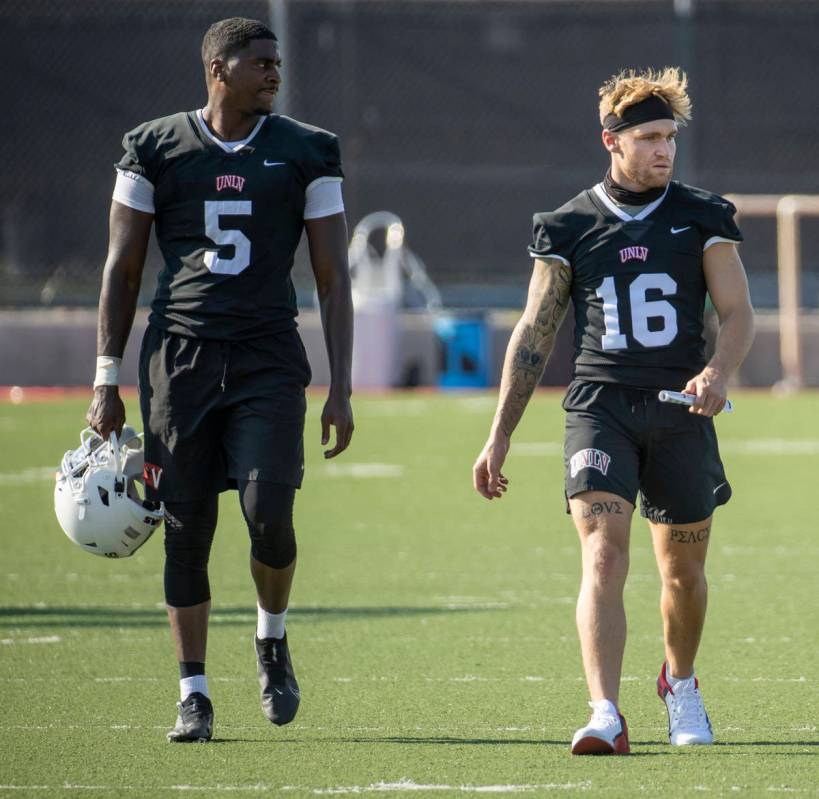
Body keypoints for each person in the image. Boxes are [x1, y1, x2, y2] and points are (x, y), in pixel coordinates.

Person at [86, 17, 354, 743]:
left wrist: (341, 385)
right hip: (180, 361)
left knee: (270, 511)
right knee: (186, 530)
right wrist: (106, 376)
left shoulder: (305, 150)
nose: (274, 72)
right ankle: (193, 692)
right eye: (259, 62)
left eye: (276, 62)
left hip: (268, 355)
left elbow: (331, 277)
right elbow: (123, 267)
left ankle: (271, 637)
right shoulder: (154, 147)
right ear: (217, 67)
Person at [473, 67, 754, 755]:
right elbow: (534, 333)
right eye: (649, 138)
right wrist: (498, 435)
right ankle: (604, 711)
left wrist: (718, 370)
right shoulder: (569, 224)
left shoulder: (701, 214)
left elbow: (738, 311)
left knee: (681, 574)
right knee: (601, 554)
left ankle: (679, 684)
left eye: (669, 138)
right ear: (611, 141)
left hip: (680, 408)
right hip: (600, 408)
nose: (663, 150)